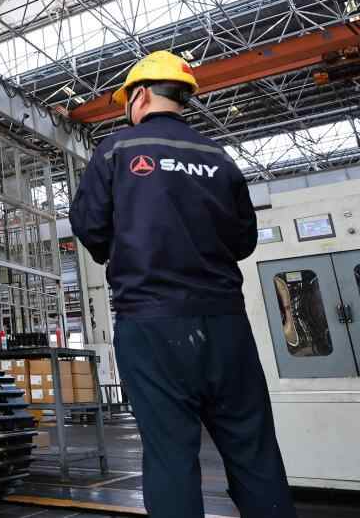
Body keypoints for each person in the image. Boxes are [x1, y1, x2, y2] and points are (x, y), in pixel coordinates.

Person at [69, 51, 296, 518]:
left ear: (140, 95)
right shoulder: (217, 156)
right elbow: (244, 239)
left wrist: (128, 249)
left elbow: (89, 226)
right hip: (226, 324)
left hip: (151, 323)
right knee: (254, 451)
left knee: (170, 455)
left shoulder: (115, 150)